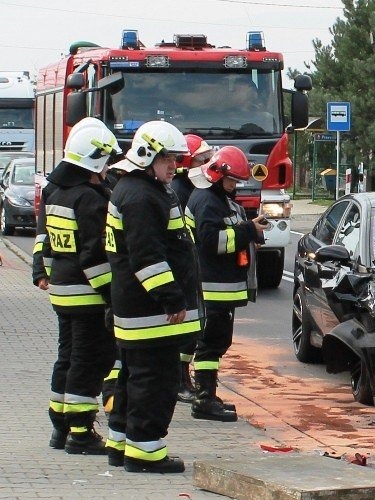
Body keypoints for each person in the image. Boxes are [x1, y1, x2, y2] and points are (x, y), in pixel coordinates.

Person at [106, 120, 199, 473]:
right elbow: (147, 256)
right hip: (151, 313)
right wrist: (171, 299)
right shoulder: (142, 196)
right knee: (156, 381)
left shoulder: (137, 188)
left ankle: (120, 443)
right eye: (167, 160)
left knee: (131, 377)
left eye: (176, 159)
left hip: (136, 308)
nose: (174, 167)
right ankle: (145, 452)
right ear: (146, 155)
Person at [31, 118, 121, 454]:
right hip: (87, 293)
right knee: (89, 359)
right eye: (106, 161)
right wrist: (111, 295)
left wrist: (47, 274)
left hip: (64, 291)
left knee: (66, 357)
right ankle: (81, 432)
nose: (109, 167)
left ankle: (60, 426)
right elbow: (94, 256)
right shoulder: (89, 200)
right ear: (94, 162)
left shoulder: (57, 193)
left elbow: (48, 243)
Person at [186, 145, 267, 422]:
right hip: (213, 287)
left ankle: (207, 394)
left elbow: (230, 228)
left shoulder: (219, 199)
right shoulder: (208, 201)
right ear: (218, 175)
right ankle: (204, 399)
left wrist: (251, 227)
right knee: (210, 344)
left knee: (218, 342)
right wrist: (247, 230)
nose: (235, 186)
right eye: (232, 181)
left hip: (222, 286)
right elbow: (212, 242)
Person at [171, 133, 214, 403]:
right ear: (188, 162)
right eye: (204, 158)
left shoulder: (192, 188)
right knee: (187, 332)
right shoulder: (180, 191)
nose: (210, 162)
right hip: (182, 272)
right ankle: (179, 380)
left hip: (191, 268)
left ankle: (182, 378)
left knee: (193, 330)